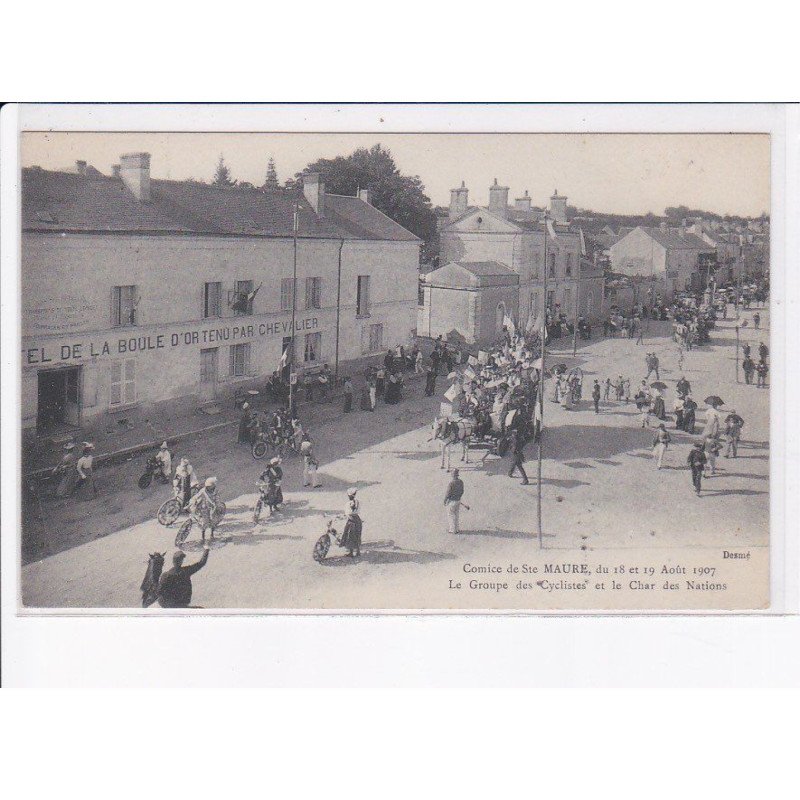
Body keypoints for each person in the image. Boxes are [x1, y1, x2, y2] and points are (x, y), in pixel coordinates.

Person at [340, 488, 362, 558]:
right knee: (357, 535)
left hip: (351, 521)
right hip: (357, 519)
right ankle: (358, 551)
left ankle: (351, 553)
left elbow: (348, 513)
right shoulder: (357, 502)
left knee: (350, 536)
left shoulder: (348, 504)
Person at [444, 468, 465, 534]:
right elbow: (462, 491)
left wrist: (445, 500)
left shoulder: (451, 483)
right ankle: (457, 529)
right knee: (456, 515)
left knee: (451, 515)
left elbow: (448, 493)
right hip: (458, 500)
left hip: (451, 501)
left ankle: (452, 530)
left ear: (453, 475)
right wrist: (459, 497)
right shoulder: (461, 482)